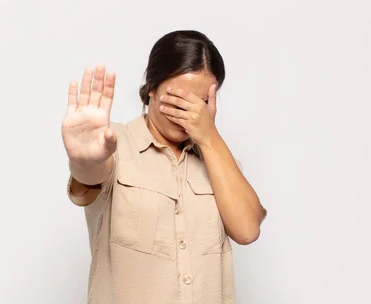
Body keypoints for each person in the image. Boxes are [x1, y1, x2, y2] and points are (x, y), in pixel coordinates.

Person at [61, 30, 267, 304]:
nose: (188, 114)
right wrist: (84, 160)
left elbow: (247, 230)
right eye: (177, 100)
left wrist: (209, 137)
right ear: (150, 89)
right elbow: (91, 175)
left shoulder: (219, 161)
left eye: (200, 103)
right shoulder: (113, 144)